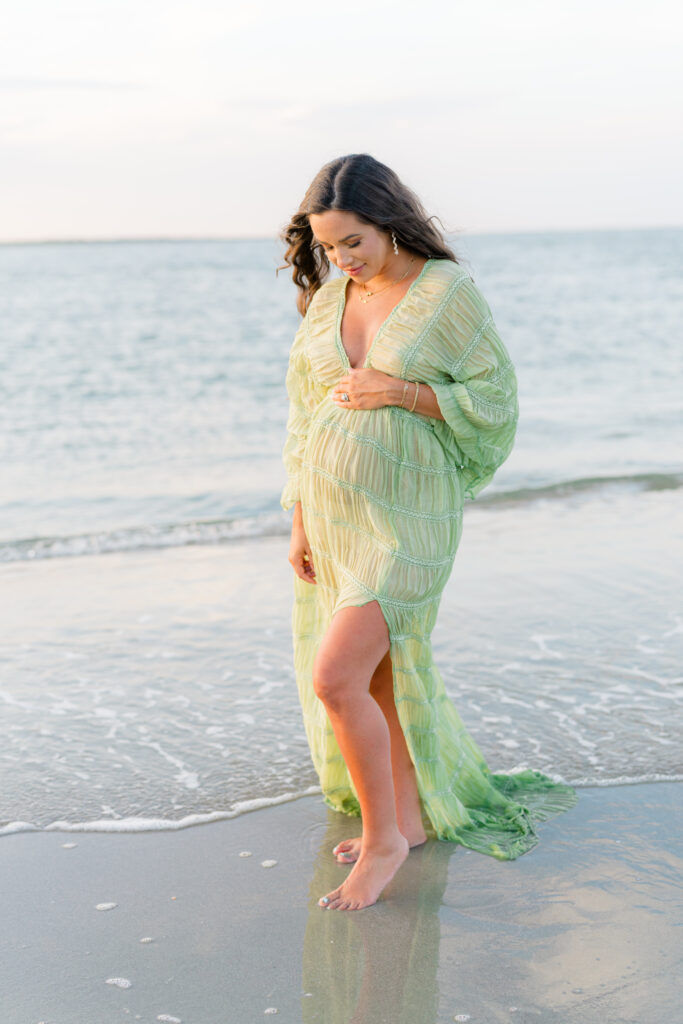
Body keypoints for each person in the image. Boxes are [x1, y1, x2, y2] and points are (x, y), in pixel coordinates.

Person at [280, 154, 576, 912]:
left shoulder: (445, 293)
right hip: (336, 515)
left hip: (411, 513)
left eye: (352, 241)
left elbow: (494, 399)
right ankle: (403, 821)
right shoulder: (330, 300)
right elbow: (303, 414)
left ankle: (380, 842)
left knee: (334, 677)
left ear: (387, 219)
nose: (341, 259)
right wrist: (300, 518)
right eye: (328, 247)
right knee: (377, 675)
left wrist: (402, 391)